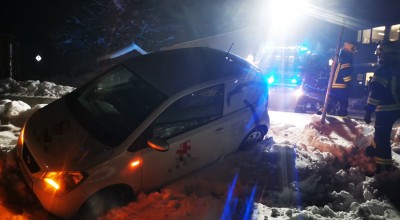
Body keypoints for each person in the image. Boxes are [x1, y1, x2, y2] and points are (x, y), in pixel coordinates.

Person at [364, 41, 400, 174]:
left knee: (382, 137)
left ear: (383, 55)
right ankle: (373, 149)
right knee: (380, 134)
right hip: (397, 107)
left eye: (379, 55)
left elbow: (376, 93)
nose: (378, 57)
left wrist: (368, 110)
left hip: (386, 109)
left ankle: (383, 168)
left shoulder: (382, 71)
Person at [317, 41, 356, 116]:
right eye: (353, 48)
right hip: (341, 85)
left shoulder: (339, 56)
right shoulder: (347, 57)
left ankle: (320, 114)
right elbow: (345, 71)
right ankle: (342, 120)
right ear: (350, 48)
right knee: (344, 104)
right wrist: (349, 83)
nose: (354, 51)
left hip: (334, 85)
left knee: (331, 103)